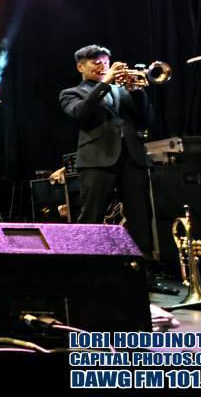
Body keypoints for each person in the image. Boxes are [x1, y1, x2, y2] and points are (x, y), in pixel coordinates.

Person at [59, 44, 153, 256]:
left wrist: (137, 92)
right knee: (92, 216)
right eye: (96, 63)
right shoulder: (71, 93)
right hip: (96, 160)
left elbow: (146, 119)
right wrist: (105, 83)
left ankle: (143, 266)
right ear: (81, 67)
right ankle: (88, 265)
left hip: (132, 158)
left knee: (140, 216)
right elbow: (80, 113)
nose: (103, 66)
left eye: (106, 62)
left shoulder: (123, 90)